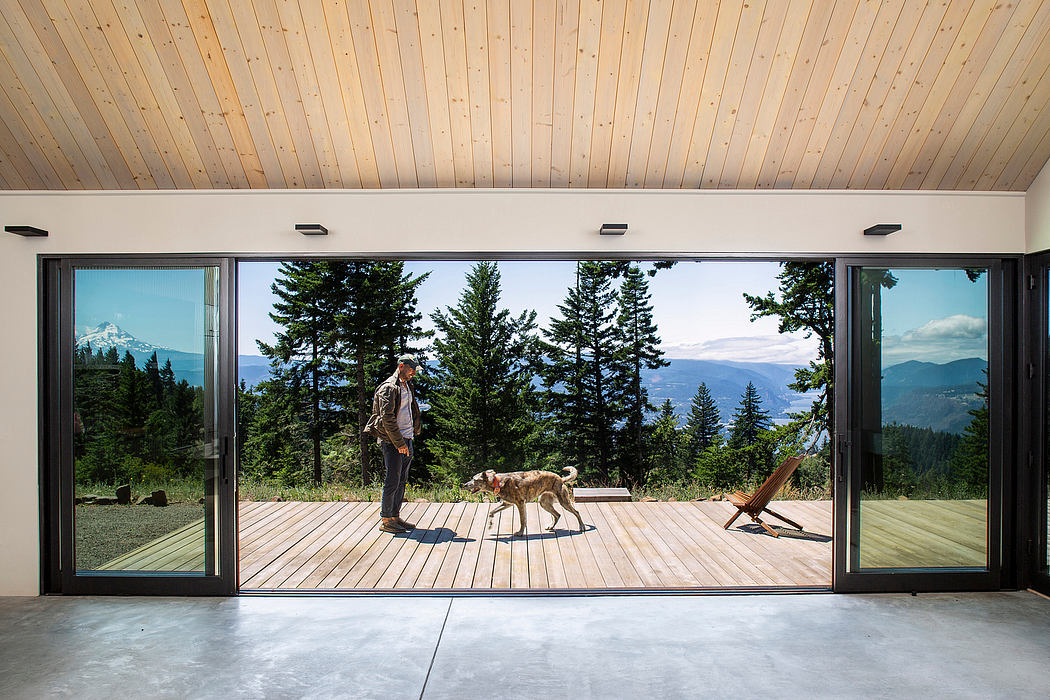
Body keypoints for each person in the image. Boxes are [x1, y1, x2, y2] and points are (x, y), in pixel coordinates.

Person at [363, 354, 422, 533]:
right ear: (401, 366)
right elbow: (387, 418)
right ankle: (387, 520)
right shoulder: (389, 387)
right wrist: (399, 443)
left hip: (406, 438)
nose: (413, 373)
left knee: (401, 480)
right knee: (392, 479)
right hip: (393, 441)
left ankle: (395, 516)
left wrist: (410, 436)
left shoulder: (406, 385)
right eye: (411, 369)